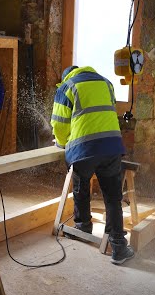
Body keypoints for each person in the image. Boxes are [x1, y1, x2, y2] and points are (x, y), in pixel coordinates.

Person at [51, 65, 134, 265]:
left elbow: (59, 124)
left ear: (66, 75)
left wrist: (61, 143)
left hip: (85, 149)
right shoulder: (106, 83)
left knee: (81, 187)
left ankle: (83, 227)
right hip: (112, 145)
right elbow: (102, 116)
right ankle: (118, 247)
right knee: (113, 197)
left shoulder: (67, 87)